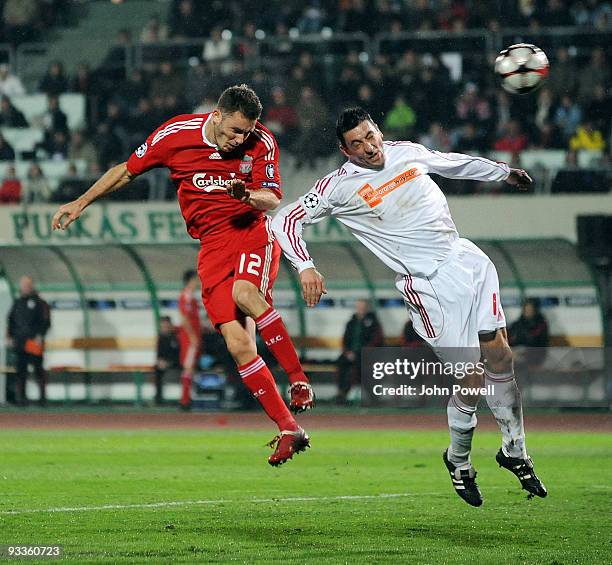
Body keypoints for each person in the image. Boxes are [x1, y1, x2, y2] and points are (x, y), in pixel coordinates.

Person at [272, 107, 547, 505]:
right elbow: (284, 221)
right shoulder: (337, 187)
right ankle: (458, 459)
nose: (368, 148)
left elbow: (454, 163)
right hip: (428, 286)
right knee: (471, 379)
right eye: (357, 144)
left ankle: (514, 449)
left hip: (465, 258)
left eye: (370, 136)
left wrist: (501, 172)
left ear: (378, 130)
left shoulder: (406, 151)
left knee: (500, 356)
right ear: (344, 150)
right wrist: (305, 266)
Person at [50, 84, 313, 466]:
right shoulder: (176, 135)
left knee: (245, 293)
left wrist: (247, 197)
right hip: (210, 247)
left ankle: (299, 379)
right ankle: (290, 428)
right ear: (217, 115)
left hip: (251, 232)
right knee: (240, 347)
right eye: (235, 131)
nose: (241, 139)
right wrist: (81, 202)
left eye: (247, 132)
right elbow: (127, 171)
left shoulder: (261, 141)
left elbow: (272, 197)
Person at [6, 275, 51, 406]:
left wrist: (40, 336)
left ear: (32, 286)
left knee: (38, 370)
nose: (25, 287)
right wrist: (9, 336)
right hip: (20, 342)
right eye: (23, 285)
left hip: (33, 342)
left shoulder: (40, 303)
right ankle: (22, 399)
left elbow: (46, 322)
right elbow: (10, 321)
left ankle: (42, 399)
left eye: (28, 285)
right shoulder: (17, 302)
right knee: (21, 371)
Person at [336, 299, 383, 404]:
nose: (360, 309)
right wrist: (347, 352)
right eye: (359, 306)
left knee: (361, 364)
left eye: (362, 306)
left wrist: (364, 351)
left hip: (366, 354)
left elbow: (377, 340)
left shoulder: (373, 322)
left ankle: (372, 396)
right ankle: (342, 393)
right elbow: (345, 339)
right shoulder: (351, 322)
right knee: (341, 361)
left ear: (367, 308)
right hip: (350, 354)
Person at [177, 269, 201, 410]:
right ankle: (184, 401)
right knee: (188, 367)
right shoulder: (186, 296)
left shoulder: (191, 297)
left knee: (190, 368)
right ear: (190, 281)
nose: (197, 282)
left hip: (192, 336)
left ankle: (186, 398)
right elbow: (184, 318)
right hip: (189, 338)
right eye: (195, 280)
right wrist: (192, 337)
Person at [508, 298, 549, 368]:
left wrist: (524, 351)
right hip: (517, 355)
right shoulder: (518, 323)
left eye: (530, 309)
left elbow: (537, 342)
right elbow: (510, 339)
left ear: (535, 310)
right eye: (526, 309)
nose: (528, 311)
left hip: (535, 355)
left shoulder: (541, 323)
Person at [155, 315, 180, 405]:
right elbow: (159, 353)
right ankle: (158, 399)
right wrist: (160, 361)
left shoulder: (176, 336)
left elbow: (178, 353)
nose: (164, 327)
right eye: (162, 325)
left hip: (176, 362)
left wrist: (169, 362)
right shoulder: (161, 337)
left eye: (166, 324)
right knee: (157, 371)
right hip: (165, 362)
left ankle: (183, 398)